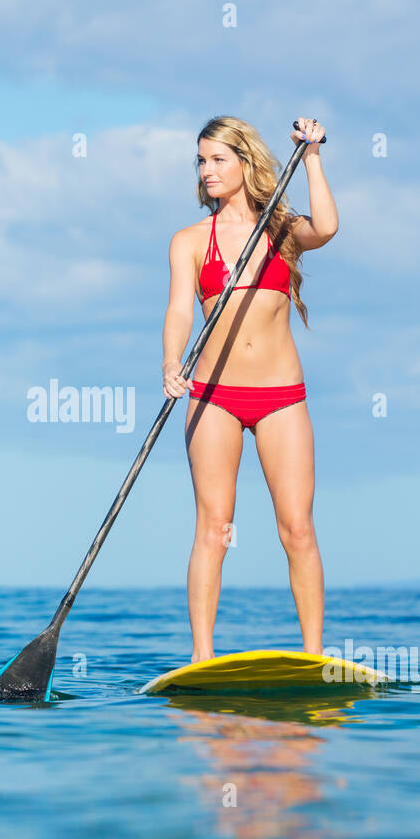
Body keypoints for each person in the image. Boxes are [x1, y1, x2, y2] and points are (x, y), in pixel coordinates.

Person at [161, 115, 338, 663]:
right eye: (201, 160)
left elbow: (327, 227)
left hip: (281, 397)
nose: (206, 170)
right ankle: (202, 657)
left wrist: (311, 155)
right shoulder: (190, 241)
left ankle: (312, 655)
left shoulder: (282, 229)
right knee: (214, 529)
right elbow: (178, 310)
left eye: (217, 159)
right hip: (212, 397)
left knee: (297, 528)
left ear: (245, 162)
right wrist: (171, 362)